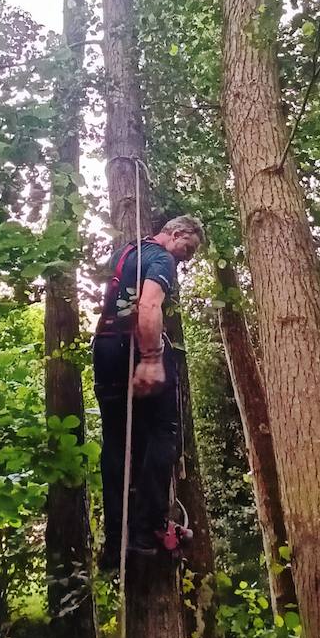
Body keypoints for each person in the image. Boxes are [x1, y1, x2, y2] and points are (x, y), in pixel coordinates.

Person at [93, 215, 205, 570]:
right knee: (164, 432)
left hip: (106, 347)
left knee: (117, 443)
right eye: (187, 249)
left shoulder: (126, 253)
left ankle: (116, 541)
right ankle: (148, 531)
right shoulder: (160, 258)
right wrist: (153, 357)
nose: (184, 259)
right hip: (132, 348)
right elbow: (148, 305)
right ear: (176, 234)